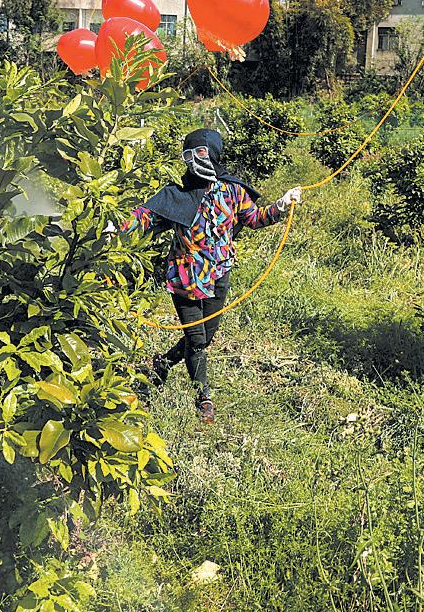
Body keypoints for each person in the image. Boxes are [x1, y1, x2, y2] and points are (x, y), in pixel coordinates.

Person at [116, 128, 302, 423]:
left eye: (200, 154)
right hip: (184, 279)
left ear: (213, 154)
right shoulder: (176, 195)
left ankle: (163, 363)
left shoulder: (233, 191)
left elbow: (254, 219)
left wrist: (281, 204)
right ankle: (203, 396)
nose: (193, 161)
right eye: (188, 155)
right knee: (197, 340)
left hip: (219, 275)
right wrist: (115, 227)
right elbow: (144, 217)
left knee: (205, 337)